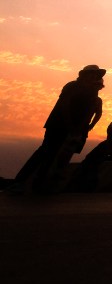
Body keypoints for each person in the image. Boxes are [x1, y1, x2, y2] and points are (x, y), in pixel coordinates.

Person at [14, 64, 106, 192]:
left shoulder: (92, 93)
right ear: (84, 75)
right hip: (58, 124)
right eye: (92, 74)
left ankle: (39, 184)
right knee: (44, 151)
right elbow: (64, 105)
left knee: (54, 156)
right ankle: (20, 182)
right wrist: (71, 126)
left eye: (96, 75)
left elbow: (90, 112)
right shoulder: (72, 86)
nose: (94, 77)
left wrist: (82, 128)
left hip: (74, 129)